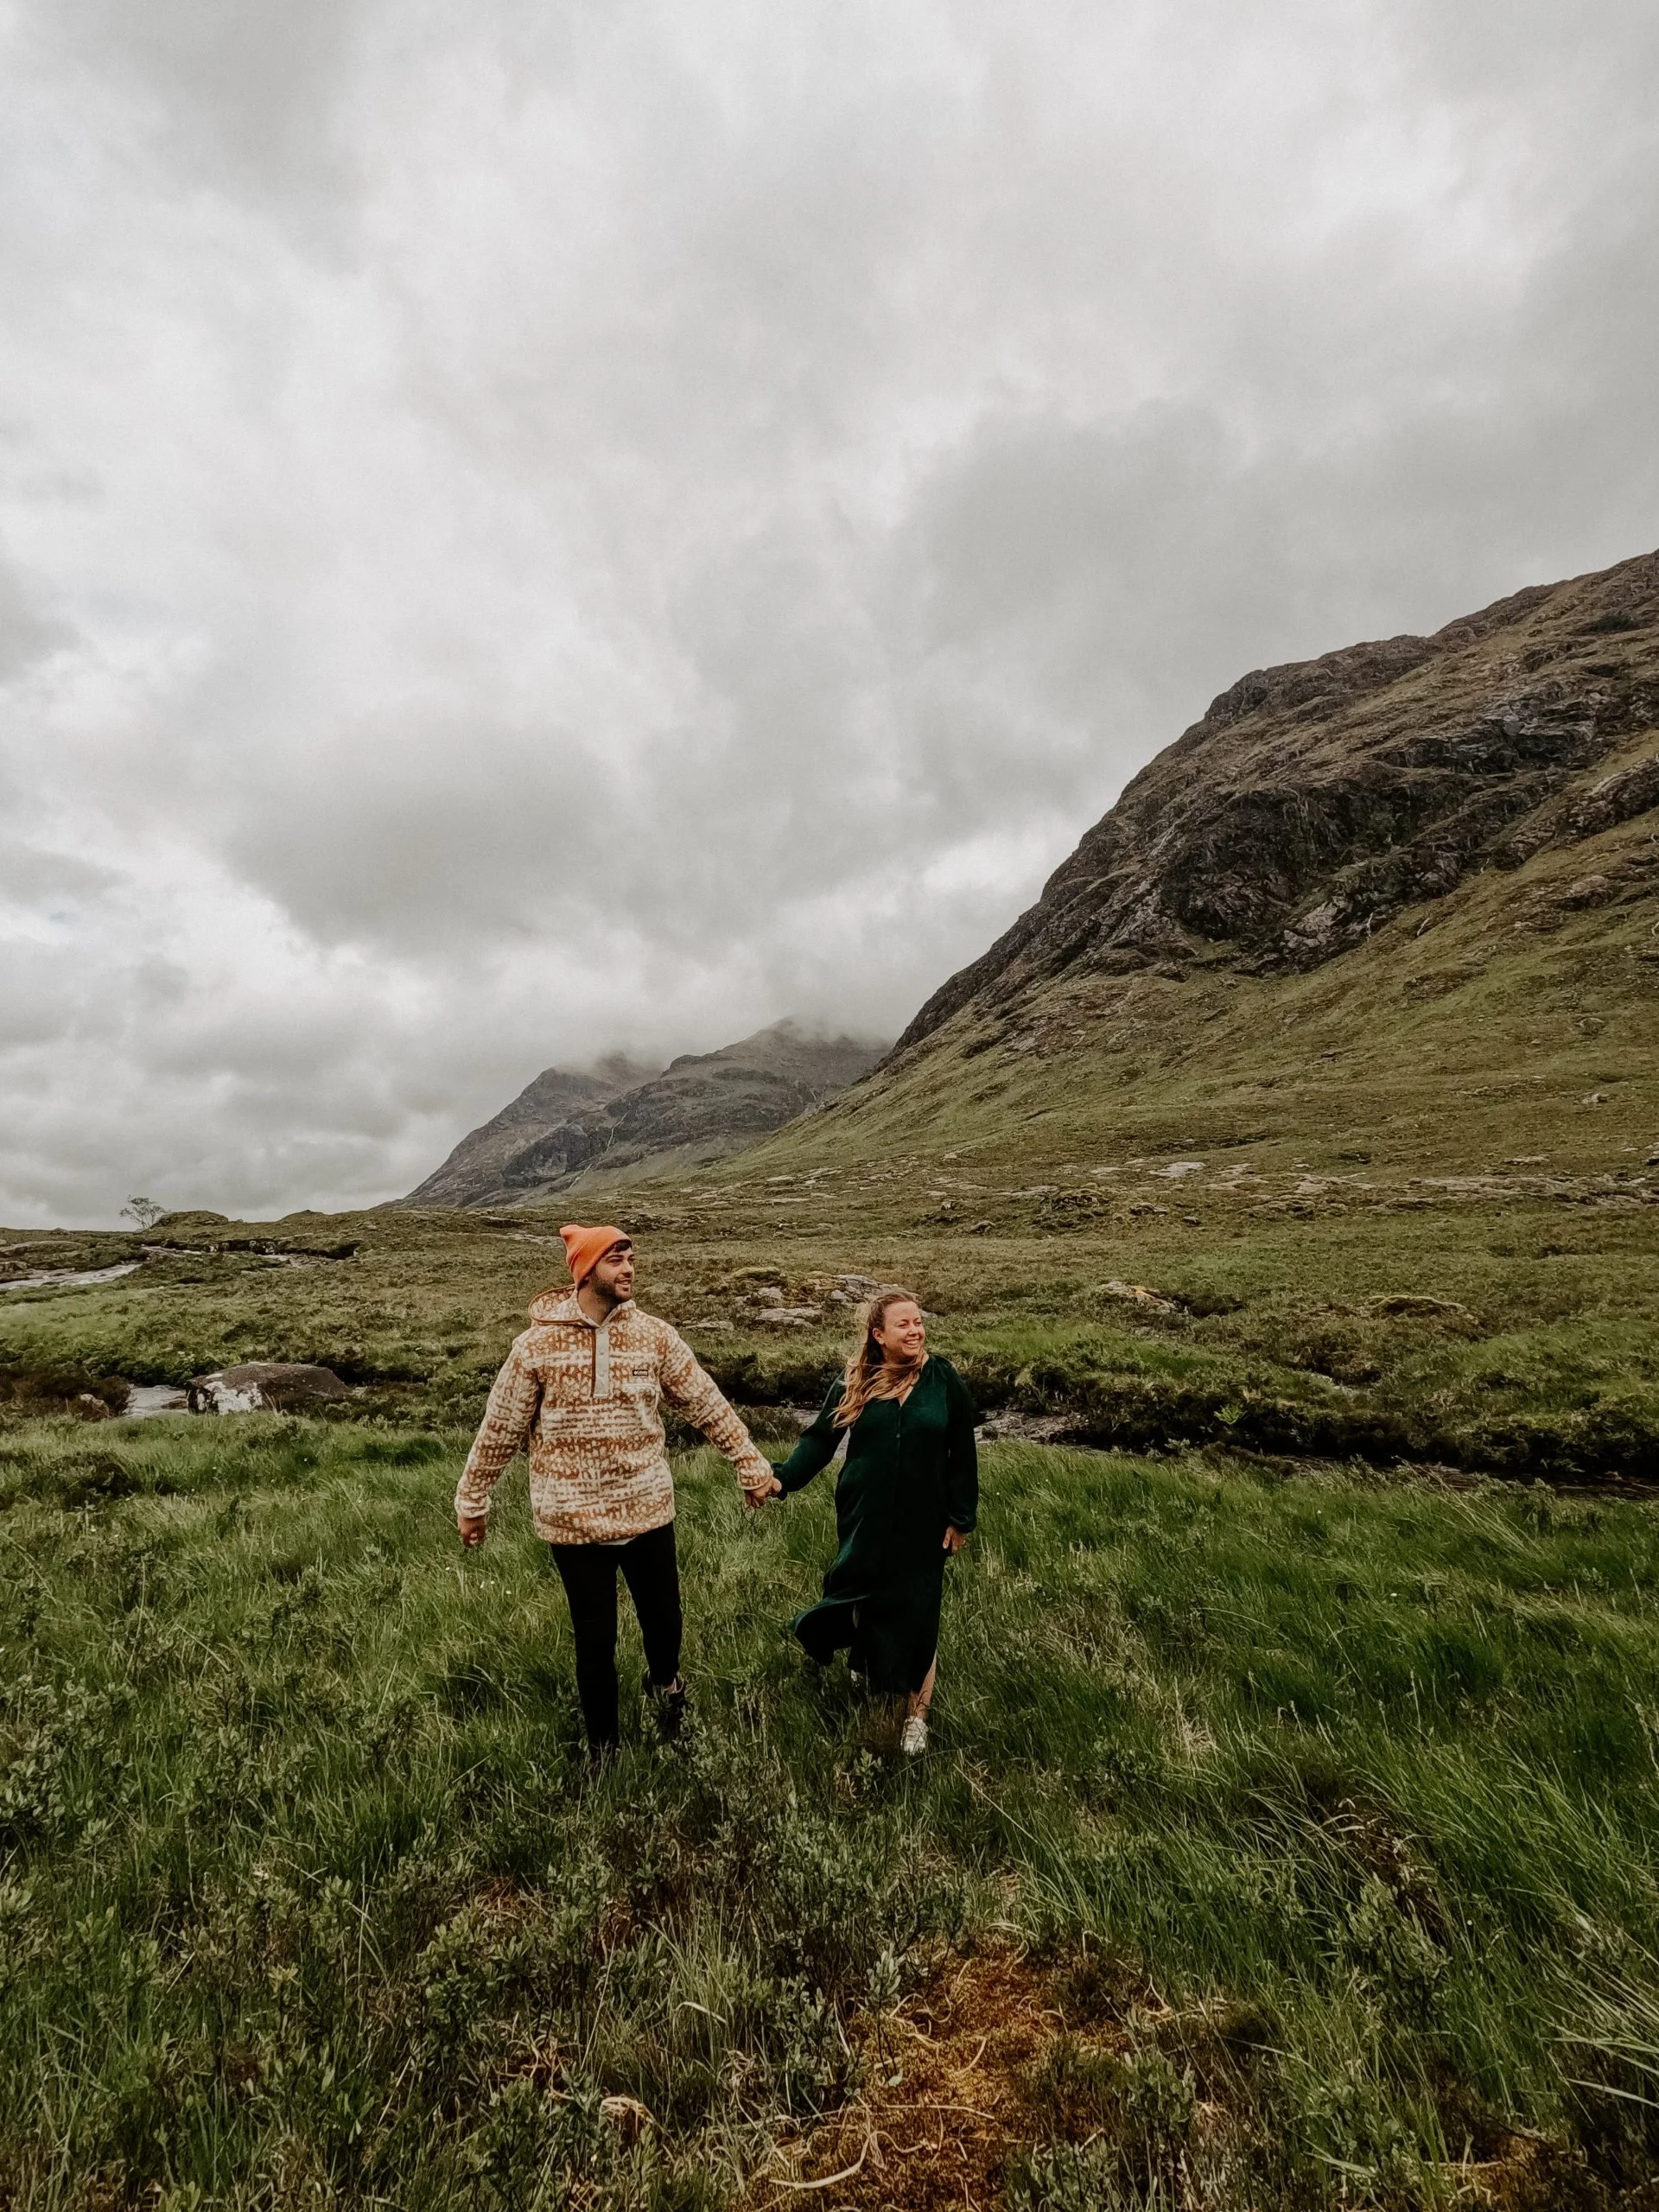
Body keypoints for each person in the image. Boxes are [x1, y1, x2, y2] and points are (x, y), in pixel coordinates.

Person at [454, 1224, 780, 1754]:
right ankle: (604, 1749)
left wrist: (750, 1462)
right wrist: (473, 1502)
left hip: (648, 1507)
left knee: (664, 1624)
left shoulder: (655, 1336)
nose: (628, 1268)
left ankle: (666, 1692)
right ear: (586, 1271)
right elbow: (501, 1426)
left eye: (630, 1258)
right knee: (595, 1639)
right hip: (573, 1519)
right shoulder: (536, 1346)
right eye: (614, 1260)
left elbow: (705, 1403)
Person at [769, 1287, 976, 1755]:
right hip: (863, 1513)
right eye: (904, 1324)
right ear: (879, 1334)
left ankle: (916, 1717)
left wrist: (961, 1517)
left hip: (924, 1521)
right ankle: (864, 1665)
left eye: (919, 1321)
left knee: (920, 1613)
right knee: (861, 1595)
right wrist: (782, 1481)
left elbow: (962, 1451)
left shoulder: (942, 1379)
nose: (916, 1330)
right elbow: (820, 1441)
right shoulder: (855, 1380)